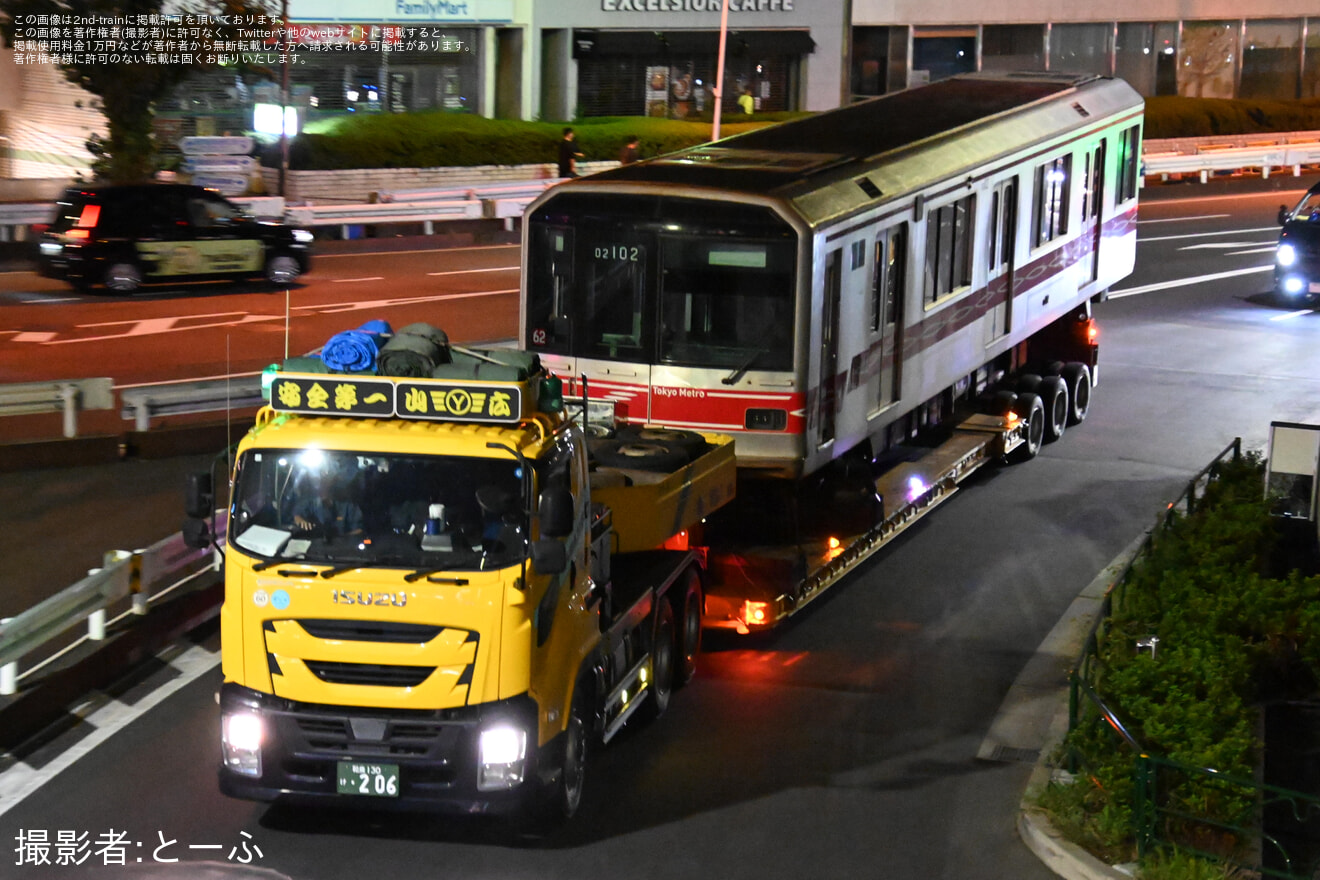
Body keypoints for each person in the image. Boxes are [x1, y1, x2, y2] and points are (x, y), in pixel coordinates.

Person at [291, 468, 363, 537]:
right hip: (314, 544)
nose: (323, 484)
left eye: (326, 481)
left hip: (342, 547)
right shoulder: (310, 502)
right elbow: (296, 515)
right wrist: (300, 520)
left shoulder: (347, 505)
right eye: (321, 481)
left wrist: (341, 540)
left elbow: (358, 529)